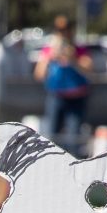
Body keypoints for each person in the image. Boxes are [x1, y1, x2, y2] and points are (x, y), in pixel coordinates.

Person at [37, 15, 91, 144]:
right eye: (59, 31)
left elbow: (88, 68)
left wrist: (73, 58)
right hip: (57, 96)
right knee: (51, 136)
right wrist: (49, 57)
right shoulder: (49, 49)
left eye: (65, 30)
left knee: (73, 138)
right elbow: (39, 74)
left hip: (76, 97)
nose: (63, 34)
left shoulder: (79, 49)